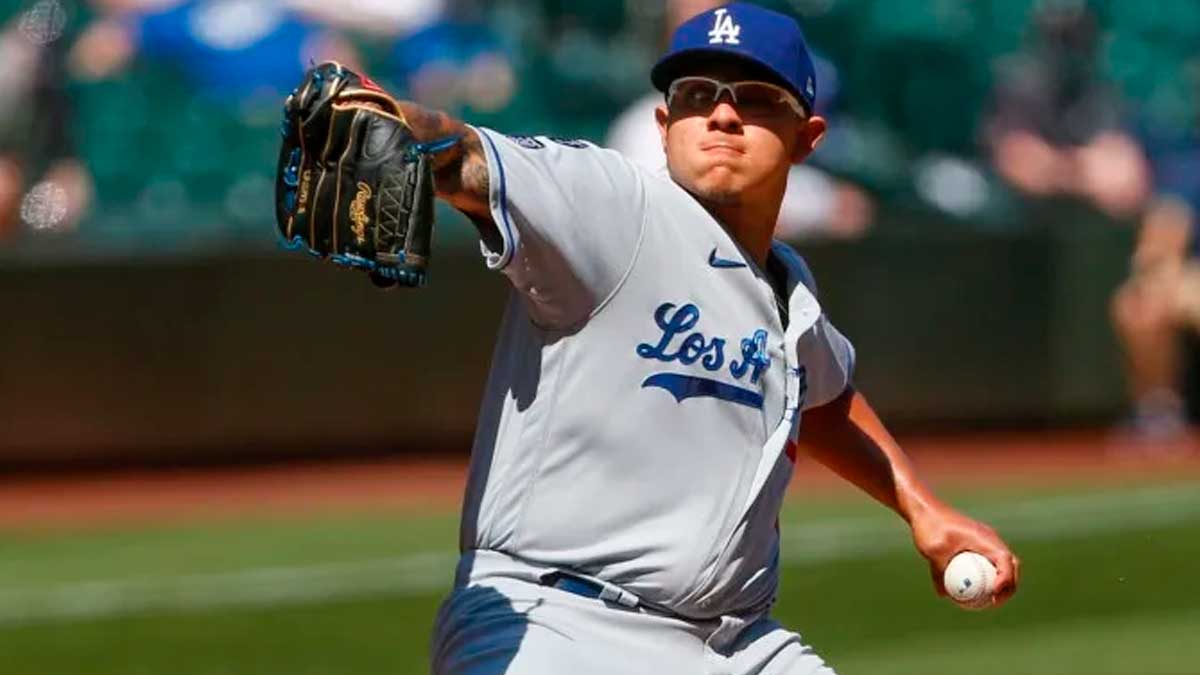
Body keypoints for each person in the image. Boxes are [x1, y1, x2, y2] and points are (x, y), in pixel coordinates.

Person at [291, 4, 1020, 673]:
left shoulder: (787, 288)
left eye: (757, 99)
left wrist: (924, 507)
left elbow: (821, 395)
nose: (723, 116)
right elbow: (469, 158)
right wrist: (389, 115)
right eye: (699, 95)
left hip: (735, 640)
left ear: (808, 138)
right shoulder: (615, 208)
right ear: (666, 124)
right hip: (565, 623)